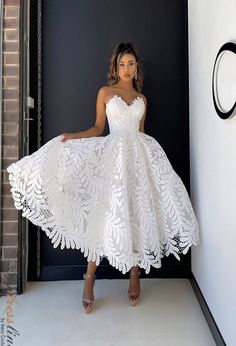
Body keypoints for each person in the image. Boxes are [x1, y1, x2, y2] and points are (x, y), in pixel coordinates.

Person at [7, 42, 200, 315]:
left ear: (136, 67)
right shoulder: (106, 93)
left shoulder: (142, 99)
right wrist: (72, 137)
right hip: (113, 158)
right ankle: (90, 278)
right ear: (116, 66)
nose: (126, 69)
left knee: (136, 213)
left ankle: (135, 275)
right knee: (103, 214)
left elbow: (141, 132)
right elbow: (99, 128)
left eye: (131, 64)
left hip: (138, 159)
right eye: (122, 64)